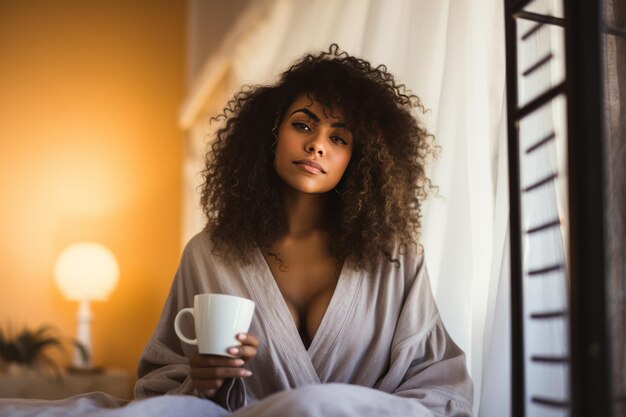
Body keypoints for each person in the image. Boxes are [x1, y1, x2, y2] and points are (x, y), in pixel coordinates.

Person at [134, 44, 473, 417]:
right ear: (272, 132)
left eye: (339, 138)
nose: (316, 145)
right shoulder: (209, 253)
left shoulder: (397, 259)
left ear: (358, 159)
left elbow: (442, 386)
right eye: (303, 125)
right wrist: (202, 383)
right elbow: (156, 390)